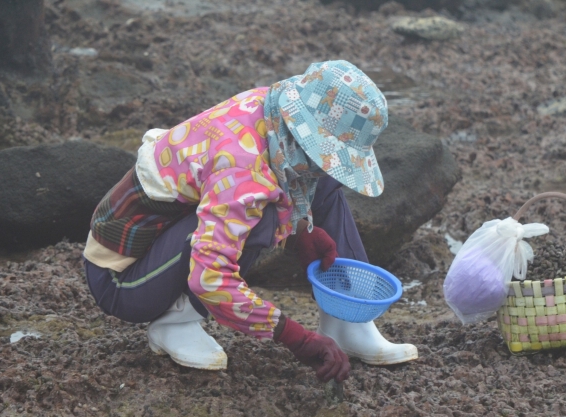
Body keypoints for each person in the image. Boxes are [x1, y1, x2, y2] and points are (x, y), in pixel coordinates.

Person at [83, 60, 417, 383]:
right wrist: (294, 336)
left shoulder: (273, 109)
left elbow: (292, 176)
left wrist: (302, 230)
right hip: (123, 279)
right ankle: (175, 321)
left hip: (179, 223)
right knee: (261, 219)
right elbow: (211, 277)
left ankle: (346, 319)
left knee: (325, 179)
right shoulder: (242, 171)